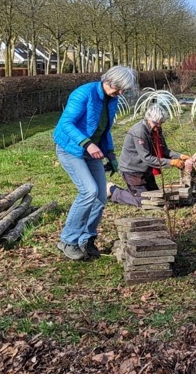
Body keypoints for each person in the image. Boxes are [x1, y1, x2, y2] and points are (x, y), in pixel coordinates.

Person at [52, 65, 138, 260]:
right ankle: (68, 240)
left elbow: (105, 129)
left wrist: (111, 153)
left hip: (94, 151)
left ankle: (86, 239)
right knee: (88, 191)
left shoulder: (112, 99)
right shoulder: (84, 94)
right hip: (71, 149)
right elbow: (65, 124)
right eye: (119, 88)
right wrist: (87, 143)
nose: (121, 93)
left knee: (100, 196)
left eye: (124, 90)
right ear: (108, 81)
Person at [108, 106, 192, 207]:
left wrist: (180, 156)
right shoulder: (139, 131)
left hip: (145, 170)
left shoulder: (157, 130)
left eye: (161, 123)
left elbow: (163, 150)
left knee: (157, 197)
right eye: (156, 123)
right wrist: (171, 162)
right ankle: (113, 191)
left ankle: (132, 192)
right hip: (132, 170)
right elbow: (147, 158)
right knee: (144, 201)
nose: (158, 126)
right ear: (148, 119)